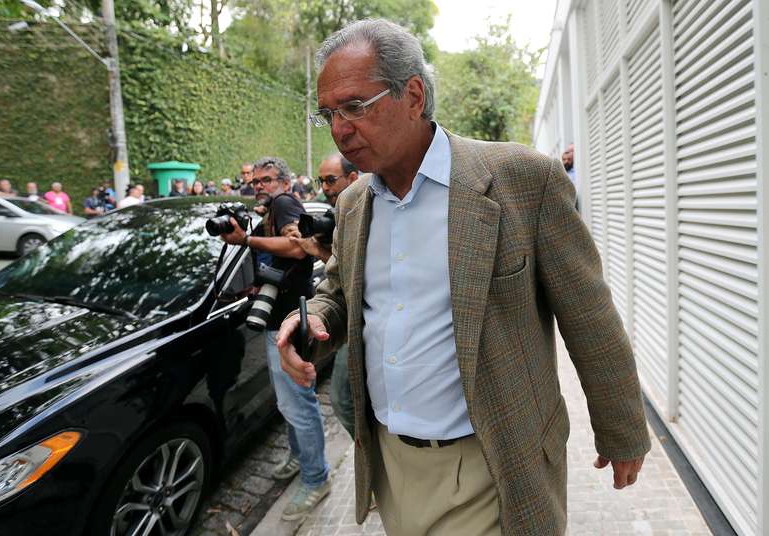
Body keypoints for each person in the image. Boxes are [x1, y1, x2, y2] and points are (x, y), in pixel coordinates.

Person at [275, 19, 651, 536]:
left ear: (412, 94)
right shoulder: (355, 203)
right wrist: (312, 321)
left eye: (355, 107)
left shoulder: (524, 180)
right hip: (389, 465)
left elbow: (588, 315)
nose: (340, 129)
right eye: (329, 114)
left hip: (493, 466)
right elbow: (338, 294)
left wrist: (622, 429)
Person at [219, 156, 331, 521]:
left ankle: (316, 478)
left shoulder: (284, 203)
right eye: (256, 182)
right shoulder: (274, 207)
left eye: (267, 180)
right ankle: (300, 458)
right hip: (281, 315)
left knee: (298, 402)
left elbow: (299, 249)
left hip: (288, 319)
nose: (260, 186)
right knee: (291, 402)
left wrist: (246, 239)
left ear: (283, 181)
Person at [289, 153, 359, 438]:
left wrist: (317, 251)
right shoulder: (340, 213)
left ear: (353, 178)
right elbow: (342, 274)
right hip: (348, 317)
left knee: (343, 399)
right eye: (321, 181)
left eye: (331, 180)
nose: (325, 188)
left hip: (361, 320)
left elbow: (355, 273)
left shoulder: (364, 210)